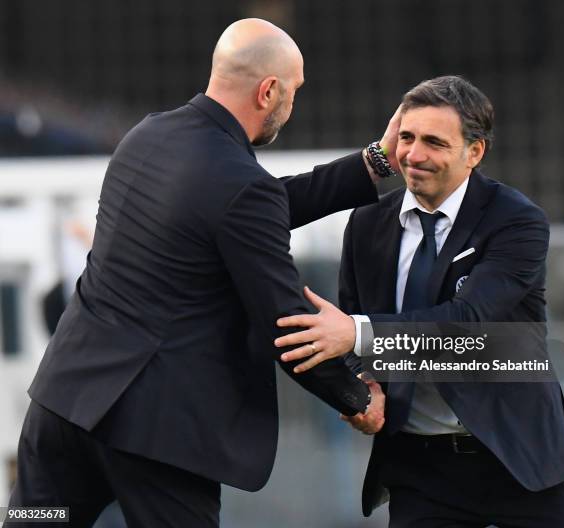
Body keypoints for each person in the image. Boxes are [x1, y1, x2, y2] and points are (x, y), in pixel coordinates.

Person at [8, 18, 387, 528]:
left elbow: (255, 206)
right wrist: (359, 399)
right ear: (268, 90)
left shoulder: (149, 135)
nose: (292, 105)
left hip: (63, 411)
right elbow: (288, 324)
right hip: (155, 439)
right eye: (293, 91)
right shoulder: (238, 186)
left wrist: (376, 163)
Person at [275, 76, 564, 527]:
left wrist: (358, 332)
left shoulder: (516, 221)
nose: (415, 155)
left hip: (519, 460)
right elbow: (355, 343)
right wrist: (362, 391)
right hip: (421, 470)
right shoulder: (367, 225)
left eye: (434, 142)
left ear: (474, 153)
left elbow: (468, 326)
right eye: (406, 137)